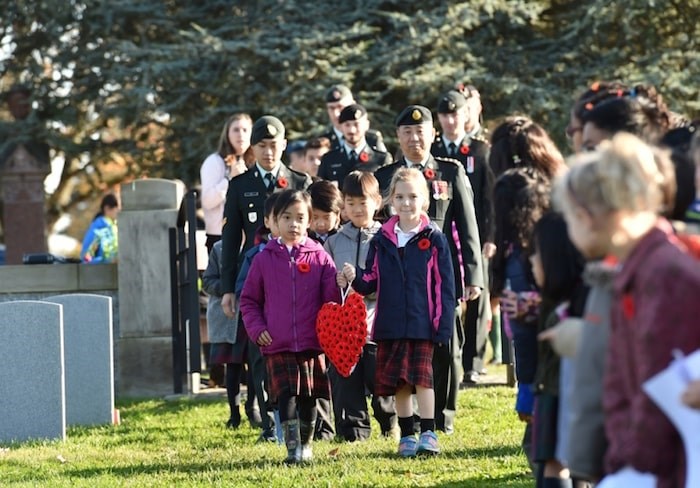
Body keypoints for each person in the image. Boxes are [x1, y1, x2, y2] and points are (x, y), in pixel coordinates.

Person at [560, 133, 700, 488]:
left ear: (586, 216)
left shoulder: (663, 274)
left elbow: (658, 387)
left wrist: (632, 460)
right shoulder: (633, 272)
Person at [375, 105, 483, 435]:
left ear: (433, 134)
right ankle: (403, 423)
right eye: (406, 132)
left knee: (447, 349)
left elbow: (468, 227)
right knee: (403, 354)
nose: (414, 138)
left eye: (420, 131)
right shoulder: (385, 176)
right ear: (398, 137)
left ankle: (442, 419)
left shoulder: (449, 172)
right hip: (400, 281)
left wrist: (474, 275)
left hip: (440, 278)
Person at [339, 167, 455, 457]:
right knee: (400, 383)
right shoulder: (382, 239)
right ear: (390, 200)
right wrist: (355, 277)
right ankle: (406, 434)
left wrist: (442, 325)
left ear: (424, 200)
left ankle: (428, 431)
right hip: (390, 324)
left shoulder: (434, 238)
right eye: (400, 197)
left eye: (413, 196)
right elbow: (371, 281)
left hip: (422, 323)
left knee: (422, 379)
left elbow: (444, 286)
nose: (406, 203)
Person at [240, 190, 340, 464]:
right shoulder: (263, 258)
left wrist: (342, 283)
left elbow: (332, 296)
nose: (293, 224)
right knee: (286, 397)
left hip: (311, 343)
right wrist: (257, 328)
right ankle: (291, 449)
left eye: (300, 218)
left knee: (309, 398)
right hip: (277, 342)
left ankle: (306, 447)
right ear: (273, 221)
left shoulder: (319, 256)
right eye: (287, 217)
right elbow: (248, 300)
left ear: (309, 221)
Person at [323, 171, 397, 441]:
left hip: (376, 327)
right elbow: (326, 284)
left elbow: (391, 281)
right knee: (346, 382)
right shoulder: (333, 242)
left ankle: (390, 423)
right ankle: (354, 432)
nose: (356, 209)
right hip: (343, 331)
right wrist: (339, 282)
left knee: (381, 382)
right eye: (350, 203)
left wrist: (367, 286)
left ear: (377, 202)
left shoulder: (386, 239)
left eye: (363, 202)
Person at [220, 115, 312, 320]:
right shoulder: (239, 185)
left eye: (274, 145)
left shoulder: (300, 182)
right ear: (252, 147)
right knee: (255, 341)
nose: (268, 152)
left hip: (294, 272)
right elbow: (231, 239)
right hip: (252, 273)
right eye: (262, 145)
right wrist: (227, 288)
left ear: (284, 145)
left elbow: (310, 235)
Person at [431, 89, 495, 383]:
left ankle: (475, 361)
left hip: (473, 234)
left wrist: (490, 236)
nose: (450, 120)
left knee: (477, 295)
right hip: (443, 236)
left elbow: (489, 199)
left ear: (464, 115)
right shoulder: (433, 152)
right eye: (445, 115)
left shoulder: (480, 150)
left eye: (454, 114)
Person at [491, 167, 552, 474]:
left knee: (544, 453)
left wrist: (525, 386)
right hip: (544, 362)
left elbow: (527, 331)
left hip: (544, 366)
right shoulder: (532, 242)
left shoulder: (526, 252)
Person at [528, 212, 587, 488]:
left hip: (564, 394)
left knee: (558, 462)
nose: (531, 260)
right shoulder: (553, 303)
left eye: (536, 253)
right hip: (551, 391)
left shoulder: (570, 308)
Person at [235, 192, 283, 443]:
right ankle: (268, 426)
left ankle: (290, 425)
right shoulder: (255, 255)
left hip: (290, 332)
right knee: (262, 378)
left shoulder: (308, 253)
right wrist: (256, 326)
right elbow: (245, 293)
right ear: (268, 221)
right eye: (279, 218)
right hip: (262, 330)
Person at [202, 239, 249, 429]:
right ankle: (234, 413)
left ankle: (254, 408)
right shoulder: (219, 248)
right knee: (232, 367)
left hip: (251, 315)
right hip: (227, 316)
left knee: (255, 368)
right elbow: (207, 281)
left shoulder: (258, 245)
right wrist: (228, 287)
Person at [200, 113, 253, 253]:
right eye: (236, 130)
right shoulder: (214, 162)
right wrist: (230, 179)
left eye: (245, 130)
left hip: (249, 236)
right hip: (220, 236)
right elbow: (207, 201)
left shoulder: (255, 164)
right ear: (227, 134)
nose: (240, 134)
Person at [317, 103, 391, 185]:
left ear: (366, 125)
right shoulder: (329, 159)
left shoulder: (381, 159)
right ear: (341, 127)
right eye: (347, 125)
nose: (352, 130)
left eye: (356, 124)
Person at [322, 84, 387, 153]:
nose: (336, 114)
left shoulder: (371, 139)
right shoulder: (323, 142)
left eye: (340, 107)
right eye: (331, 108)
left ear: (352, 104)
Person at [81, 193, 120, 263]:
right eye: (117, 208)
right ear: (107, 208)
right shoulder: (98, 231)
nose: (119, 212)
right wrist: (107, 262)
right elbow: (86, 259)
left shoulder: (116, 229)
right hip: (101, 272)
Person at [307, 180, 342, 244]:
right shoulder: (302, 240)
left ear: (337, 215)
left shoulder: (343, 238)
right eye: (315, 217)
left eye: (327, 218)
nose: (321, 224)